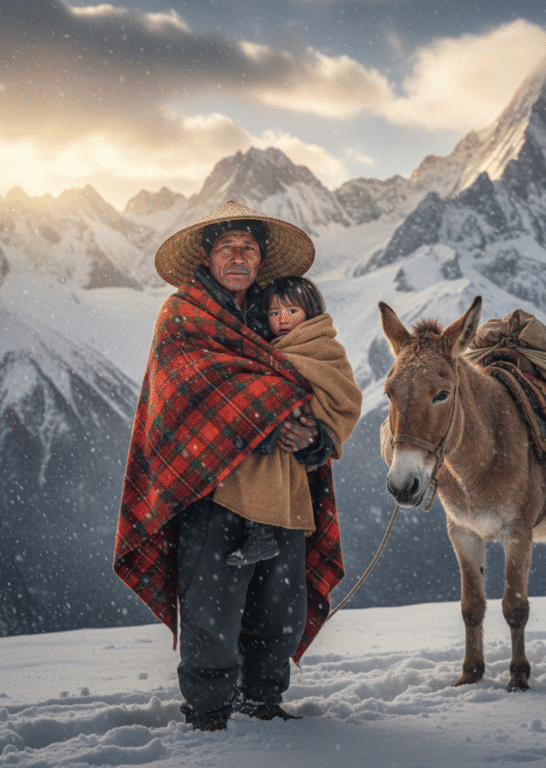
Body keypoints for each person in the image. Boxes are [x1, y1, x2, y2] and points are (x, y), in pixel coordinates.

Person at [114, 201, 361, 732]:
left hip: (284, 488)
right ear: (207, 256)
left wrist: (314, 438)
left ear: (260, 258)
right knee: (212, 611)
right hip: (212, 487)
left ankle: (263, 702)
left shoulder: (277, 317)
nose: (237, 256)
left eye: (248, 247)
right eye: (226, 246)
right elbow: (184, 394)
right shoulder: (182, 315)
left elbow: (313, 386)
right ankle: (208, 713)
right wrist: (269, 418)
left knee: (280, 609)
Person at [225, 276, 337, 567]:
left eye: (292, 311)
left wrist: (314, 428)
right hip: (274, 432)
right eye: (274, 313)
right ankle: (260, 535)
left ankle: (260, 535)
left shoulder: (322, 349)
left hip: (292, 438)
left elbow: (342, 397)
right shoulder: (270, 349)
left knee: (262, 465)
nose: (282, 319)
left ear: (311, 313)